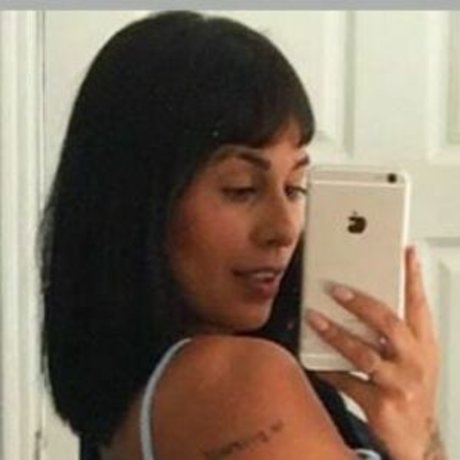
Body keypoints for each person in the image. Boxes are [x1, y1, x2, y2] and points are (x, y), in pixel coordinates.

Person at [39, 11, 446, 460]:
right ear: (135, 202)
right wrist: (419, 437)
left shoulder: (141, 399)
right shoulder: (232, 381)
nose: (284, 229)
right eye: (241, 189)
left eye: (295, 187)